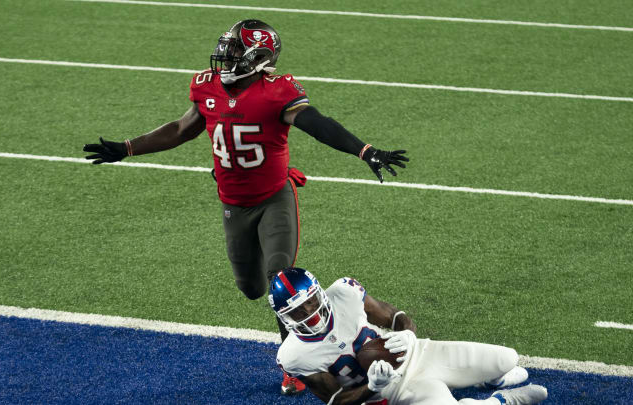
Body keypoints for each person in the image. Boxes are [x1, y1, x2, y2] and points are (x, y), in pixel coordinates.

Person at [83, 19, 409, 395]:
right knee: (251, 287)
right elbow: (181, 128)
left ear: (258, 57)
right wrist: (128, 148)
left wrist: (364, 150)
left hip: (274, 197)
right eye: (228, 47)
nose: (226, 55)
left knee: (280, 279)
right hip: (233, 203)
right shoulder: (207, 85)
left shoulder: (277, 91)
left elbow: (317, 123)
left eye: (236, 50)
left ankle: (300, 364)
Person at [270, 267, 549, 405]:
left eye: (311, 301)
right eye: (298, 311)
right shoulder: (294, 354)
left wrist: (408, 335)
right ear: (285, 318)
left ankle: (491, 378)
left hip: (417, 354)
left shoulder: (343, 292)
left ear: (320, 292)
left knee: (508, 358)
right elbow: (335, 401)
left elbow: (393, 315)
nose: (311, 312)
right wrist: (372, 387)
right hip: (392, 391)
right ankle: (498, 401)